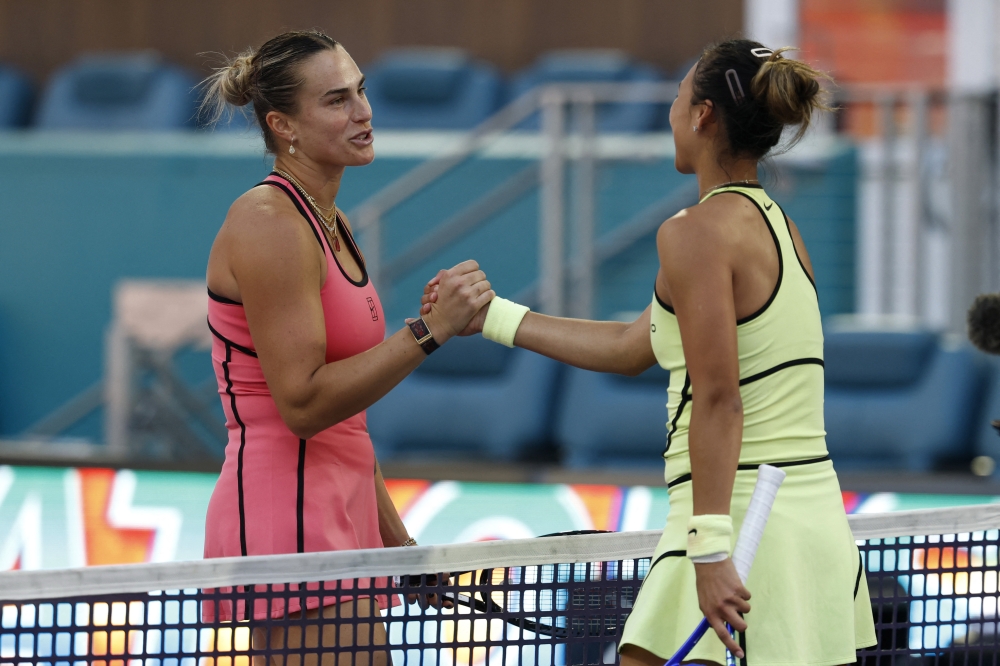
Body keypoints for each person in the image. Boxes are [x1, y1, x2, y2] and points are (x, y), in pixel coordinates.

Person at [423, 40, 877, 666]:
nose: (670, 111)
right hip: (810, 523)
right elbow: (634, 346)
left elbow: (720, 398)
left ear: (702, 116)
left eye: (677, 97)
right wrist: (494, 317)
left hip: (738, 524)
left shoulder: (693, 233)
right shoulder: (780, 226)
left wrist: (712, 551)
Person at [199, 30, 493, 665]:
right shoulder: (269, 223)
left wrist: (397, 540)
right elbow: (304, 405)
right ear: (284, 126)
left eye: (361, 91)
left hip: (339, 511)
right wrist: (430, 331)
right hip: (286, 519)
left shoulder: (333, 221)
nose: (362, 111)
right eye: (336, 100)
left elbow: (346, 424)